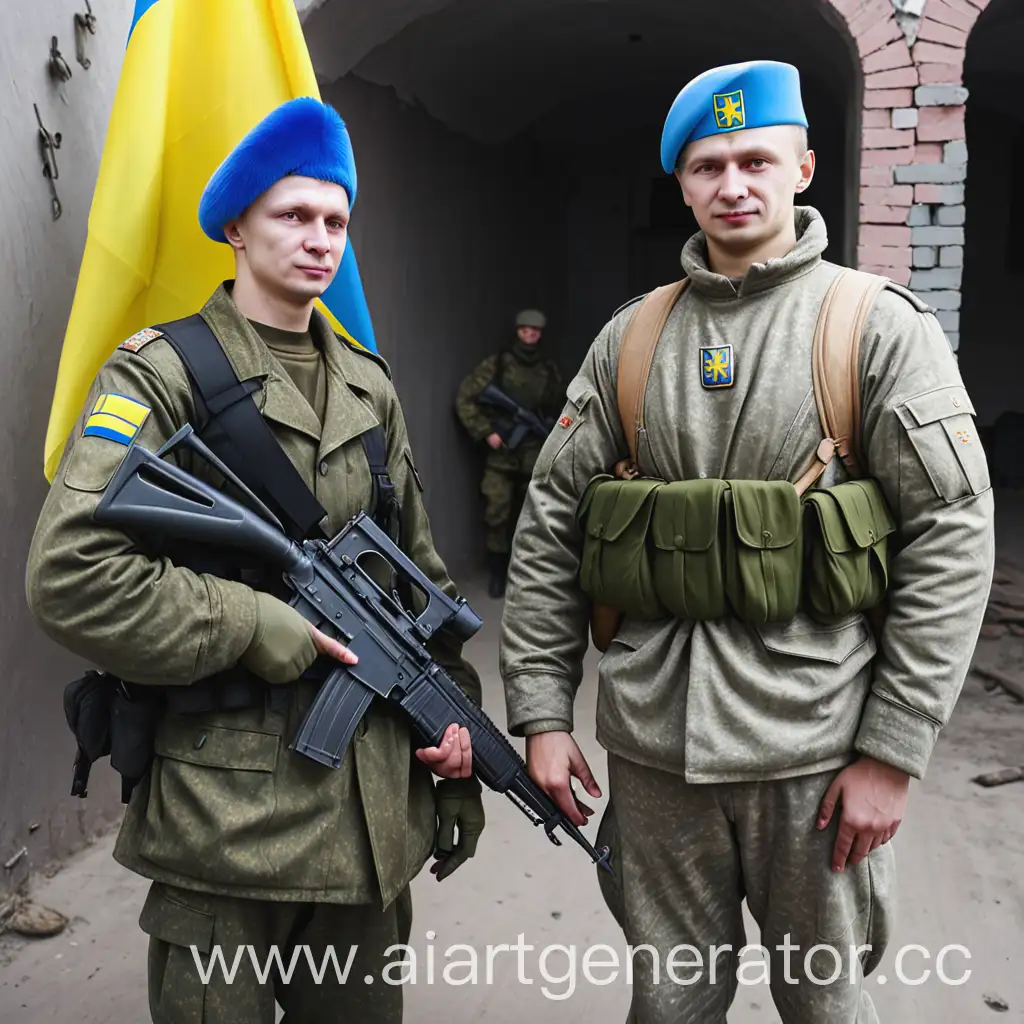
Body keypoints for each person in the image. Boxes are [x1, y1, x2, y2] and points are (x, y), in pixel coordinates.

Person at [498, 61, 994, 1022]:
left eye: (757, 160)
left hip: (812, 748)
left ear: (804, 166)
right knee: (669, 1002)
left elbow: (951, 535)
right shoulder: (630, 340)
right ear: (681, 186)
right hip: (654, 754)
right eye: (709, 165)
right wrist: (542, 713)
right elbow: (551, 527)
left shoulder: (874, 330)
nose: (734, 184)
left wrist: (893, 750)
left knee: (826, 1005)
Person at [26, 97, 485, 1024]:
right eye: (293, 216)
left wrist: (458, 739)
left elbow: (420, 583)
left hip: (366, 834)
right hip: (224, 827)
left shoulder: (369, 384)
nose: (319, 240)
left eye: (335, 221)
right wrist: (250, 623)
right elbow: (69, 573)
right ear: (236, 226)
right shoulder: (162, 374)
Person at [455, 308, 564, 598]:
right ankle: (497, 573)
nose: (530, 335)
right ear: (518, 331)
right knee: (497, 512)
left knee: (534, 515)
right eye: (525, 330)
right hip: (503, 453)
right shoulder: (499, 364)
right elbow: (465, 397)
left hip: (534, 455)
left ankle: (528, 575)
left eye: (535, 331)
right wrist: (486, 431)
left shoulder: (549, 370)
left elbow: (557, 409)